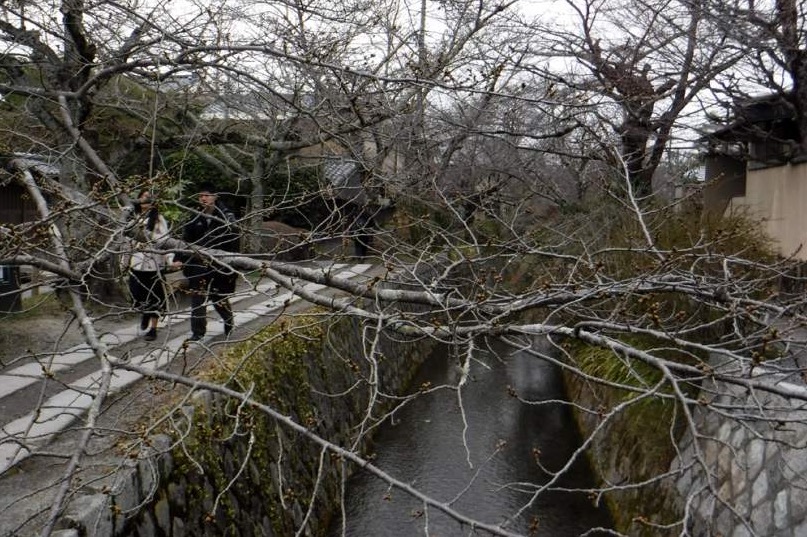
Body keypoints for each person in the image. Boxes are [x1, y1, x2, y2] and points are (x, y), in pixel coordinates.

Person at [176, 183, 241, 341]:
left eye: (207, 195)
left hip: (218, 265)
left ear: (215, 196)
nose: (203, 198)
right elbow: (186, 240)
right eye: (201, 196)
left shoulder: (226, 216)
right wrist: (178, 258)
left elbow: (233, 241)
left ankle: (228, 321)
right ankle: (197, 332)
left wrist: (231, 264)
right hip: (198, 265)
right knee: (197, 298)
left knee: (218, 298)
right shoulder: (195, 216)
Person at [126, 190, 178, 342]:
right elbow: (126, 242)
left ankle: (153, 328)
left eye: (149, 198)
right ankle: (145, 313)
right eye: (143, 197)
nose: (145, 200)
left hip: (154, 264)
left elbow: (165, 241)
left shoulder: (158, 220)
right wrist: (124, 261)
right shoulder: (132, 218)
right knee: (137, 294)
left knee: (155, 297)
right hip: (136, 263)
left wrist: (170, 260)